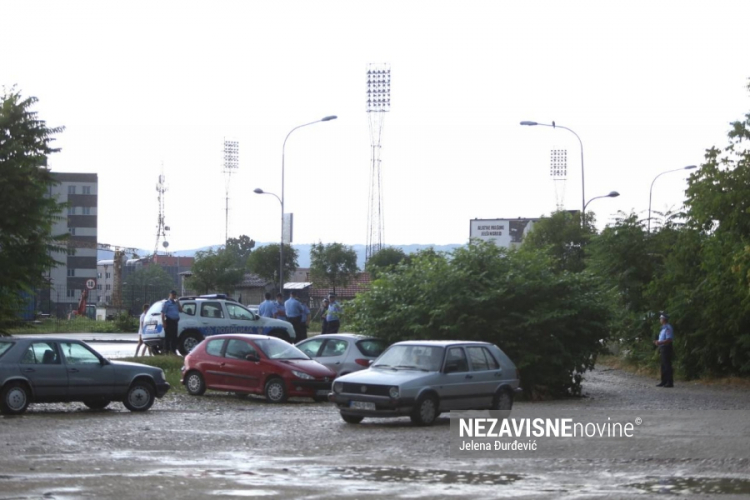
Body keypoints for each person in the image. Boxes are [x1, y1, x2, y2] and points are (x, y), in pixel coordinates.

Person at [653, 312, 674, 387]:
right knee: (663, 365)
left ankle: (669, 382)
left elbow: (669, 339)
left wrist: (660, 342)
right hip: (662, 347)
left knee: (667, 365)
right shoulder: (663, 328)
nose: (660, 320)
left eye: (661, 318)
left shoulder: (668, 328)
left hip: (666, 347)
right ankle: (664, 381)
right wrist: (657, 342)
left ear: (664, 319)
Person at [161, 290, 182, 355]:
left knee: (174, 337)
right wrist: (164, 322)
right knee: (168, 337)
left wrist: (178, 302)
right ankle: (166, 351)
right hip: (169, 321)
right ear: (169, 295)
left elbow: (180, 310)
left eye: (175, 295)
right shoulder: (167, 303)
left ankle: (173, 351)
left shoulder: (176, 303)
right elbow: (163, 313)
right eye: (173, 295)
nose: (174, 296)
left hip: (175, 322)